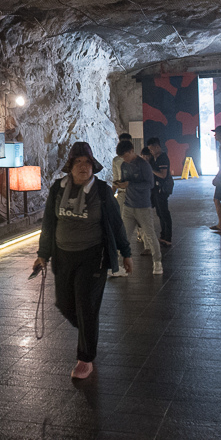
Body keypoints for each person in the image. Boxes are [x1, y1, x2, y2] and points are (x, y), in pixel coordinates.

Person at [33, 142, 133, 379]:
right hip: (63, 256)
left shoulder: (102, 190)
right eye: (78, 162)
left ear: (93, 166)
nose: (83, 167)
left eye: (87, 162)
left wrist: (125, 252)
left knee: (86, 306)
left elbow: (116, 224)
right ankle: (89, 330)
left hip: (93, 256)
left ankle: (85, 358)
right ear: (70, 166)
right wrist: (42, 254)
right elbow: (49, 223)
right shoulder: (58, 188)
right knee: (66, 304)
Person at [114, 140, 162, 274]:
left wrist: (129, 184)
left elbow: (149, 184)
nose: (125, 159)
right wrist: (119, 184)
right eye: (122, 157)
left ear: (131, 151)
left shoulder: (143, 165)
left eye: (125, 156)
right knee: (124, 237)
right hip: (129, 206)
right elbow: (125, 181)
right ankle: (119, 266)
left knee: (150, 235)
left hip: (143, 206)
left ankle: (157, 263)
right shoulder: (124, 165)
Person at [147, 138, 174, 247]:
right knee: (160, 212)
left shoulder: (162, 158)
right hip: (155, 189)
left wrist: (151, 169)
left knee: (164, 212)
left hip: (162, 189)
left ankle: (168, 237)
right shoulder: (154, 158)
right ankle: (163, 235)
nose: (151, 151)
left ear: (157, 147)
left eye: (151, 149)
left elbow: (163, 175)